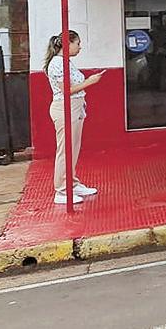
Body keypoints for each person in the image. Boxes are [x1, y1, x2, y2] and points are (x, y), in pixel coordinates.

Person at [44, 31, 104, 205]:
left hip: (74, 107)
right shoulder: (57, 64)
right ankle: (62, 191)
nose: (80, 47)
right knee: (65, 150)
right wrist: (90, 81)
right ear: (67, 44)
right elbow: (66, 90)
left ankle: (72, 183)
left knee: (73, 148)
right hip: (66, 108)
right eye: (77, 43)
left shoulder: (65, 62)